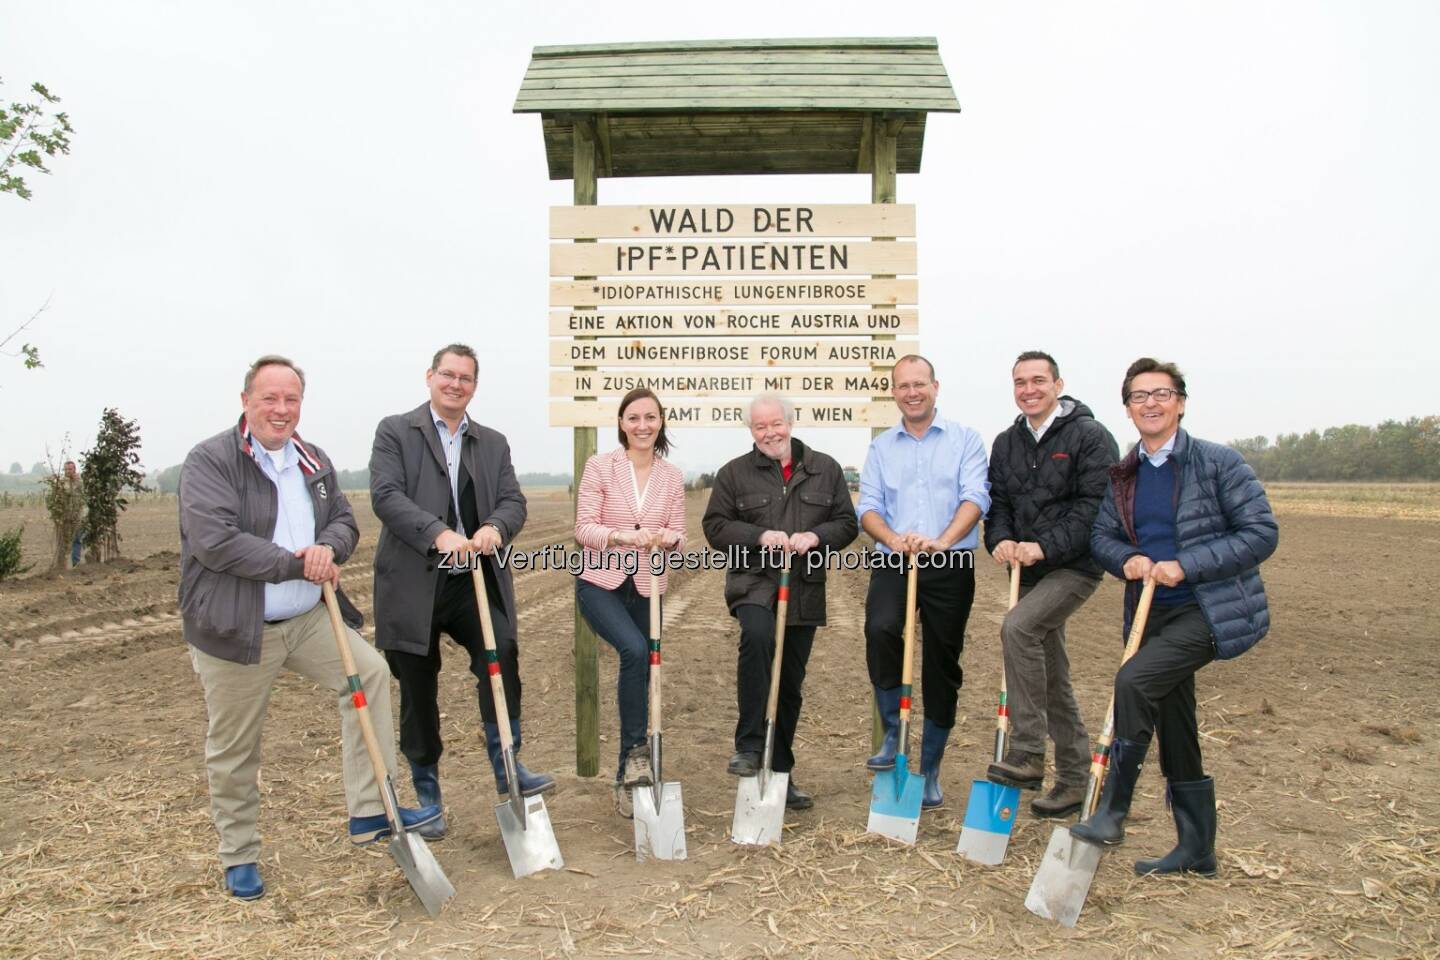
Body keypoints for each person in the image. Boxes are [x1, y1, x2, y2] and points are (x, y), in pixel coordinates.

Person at [180, 355, 439, 902]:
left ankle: (371, 811)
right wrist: (295, 564)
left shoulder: (312, 460)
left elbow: (345, 520)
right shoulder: (211, 461)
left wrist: (329, 547)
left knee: (369, 674)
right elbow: (216, 541)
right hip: (237, 627)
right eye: (270, 398)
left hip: (307, 617)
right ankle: (240, 855)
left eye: (291, 399)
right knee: (234, 747)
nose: (281, 409)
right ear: (246, 400)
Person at [1070, 358, 1278, 877]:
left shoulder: (1217, 463)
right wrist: (1128, 560)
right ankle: (1197, 849)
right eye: (1140, 396)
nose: (1151, 404)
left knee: (1134, 682)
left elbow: (1260, 533)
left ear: (1180, 403)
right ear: (1127, 408)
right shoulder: (1124, 473)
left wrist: (1185, 565)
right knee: (1176, 722)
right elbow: (1101, 538)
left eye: (1162, 394)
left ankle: (1113, 810)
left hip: (1210, 609)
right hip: (1150, 612)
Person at [369, 343, 553, 841]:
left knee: (502, 652)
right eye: (447, 375)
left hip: (473, 577)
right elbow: (386, 496)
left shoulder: (492, 442)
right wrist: (437, 531)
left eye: (465, 378)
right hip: (415, 579)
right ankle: (427, 795)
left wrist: (495, 526)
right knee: (417, 684)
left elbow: (514, 499)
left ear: (474, 386)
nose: (455, 384)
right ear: (429, 376)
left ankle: (507, 764)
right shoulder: (395, 431)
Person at [702, 395, 859, 809]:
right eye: (760, 427)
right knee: (756, 637)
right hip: (753, 581)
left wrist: (816, 537)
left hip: (803, 587)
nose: (770, 432)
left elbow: (847, 523)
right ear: (750, 431)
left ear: (790, 422)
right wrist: (759, 536)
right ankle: (749, 747)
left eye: (776, 424)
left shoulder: (825, 469)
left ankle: (780, 771)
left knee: (789, 683)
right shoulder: (733, 474)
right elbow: (715, 526)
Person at [983, 351, 1119, 817]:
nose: (1028, 389)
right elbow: (997, 503)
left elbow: (1095, 507)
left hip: (1074, 567)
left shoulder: (1090, 436)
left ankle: (1026, 751)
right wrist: (1000, 540)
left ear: (1058, 384)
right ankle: (1075, 780)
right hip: (1025, 571)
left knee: (1017, 628)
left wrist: (1042, 546)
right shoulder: (1006, 442)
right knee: (1053, 678)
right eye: (1020, 382)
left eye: (1038, 380)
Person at [858, 355, 991, 809]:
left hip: (949, 561)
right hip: (895, 559)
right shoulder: (882, 447)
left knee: (941, 662)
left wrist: (942, 541)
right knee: (880, 630)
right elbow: (868, 506)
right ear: (893, 392)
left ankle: (931, 768)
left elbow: (976, 496)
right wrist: (894, 539)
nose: (912, 393)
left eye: (920, 384)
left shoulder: (965, 440)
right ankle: (893, 732)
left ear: (935, 386)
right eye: (902, 386)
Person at [573, 388, 686, 817]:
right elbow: (584, 527)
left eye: (650, 418)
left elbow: (679, 534)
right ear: (621, 423)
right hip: (600, 582)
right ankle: (637, 753)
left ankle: (629, 772)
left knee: (643, 669)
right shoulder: (600, 467)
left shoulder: (672, 475)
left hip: (647, 584)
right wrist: (623, 536)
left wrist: (665, 539)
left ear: (660, 422)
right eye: (634, 418)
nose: (642, 425)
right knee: (634, 650)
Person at [64, 460, 85, 566]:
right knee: (64, 540)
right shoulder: (62, 482)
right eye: (66, 469)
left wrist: (75, 481)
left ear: (74, 469)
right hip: (65, 516)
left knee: (77, 539)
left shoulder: (79, 481)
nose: (68, 471)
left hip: (77, 515)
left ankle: (75, 563)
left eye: (70, 469)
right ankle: (61, 564)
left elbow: (82, 492)